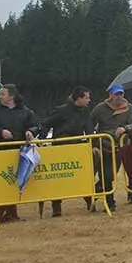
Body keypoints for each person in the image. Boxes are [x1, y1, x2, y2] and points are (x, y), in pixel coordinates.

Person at [0, 84, 39, 223]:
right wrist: (0, 132)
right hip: (0, 152)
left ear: (12, 96)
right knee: (1, 183)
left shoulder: (26, 111)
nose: (0, 97)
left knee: (14, 183)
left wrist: (31, 131)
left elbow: (36, 125)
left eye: (3, 94)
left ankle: (12, 213)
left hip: (18, 152)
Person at [41, 86, 93, 216]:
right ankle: (56, 207)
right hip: (61, 149)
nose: (89, 100)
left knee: (83, 176)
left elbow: (89, 129)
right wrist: (41, 140)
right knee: (59, 178)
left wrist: (94, 144)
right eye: (87, 97)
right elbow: (46, 123)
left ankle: (90, 202)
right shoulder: (61, 111)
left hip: (79, 148)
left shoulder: (85, 111)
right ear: (79, 98)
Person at [90, 84, 132, 212]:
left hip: (120, 146)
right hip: (104, 145)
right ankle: (110, 202)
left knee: (111, 174)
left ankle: (95, 191)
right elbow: (90, 123)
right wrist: (94, 140)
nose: (118, 97)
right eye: (116, 94)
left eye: (121, 94)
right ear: (110, 95)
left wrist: (125, 128)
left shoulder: (129, 108)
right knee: (105, 174)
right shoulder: (100, 108)